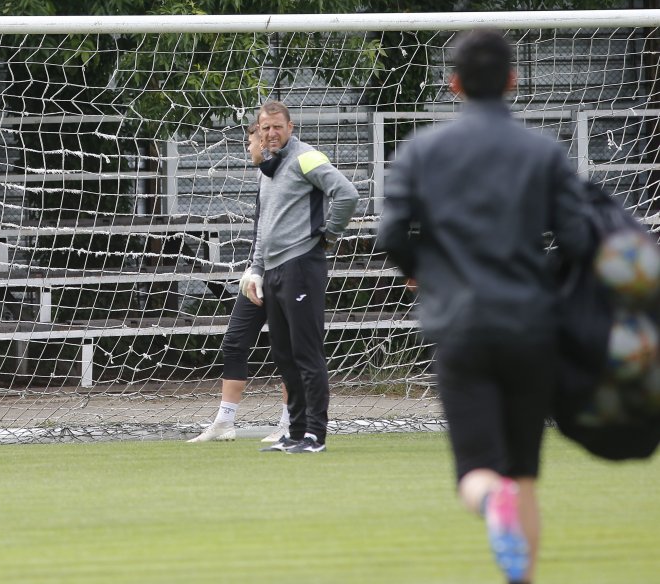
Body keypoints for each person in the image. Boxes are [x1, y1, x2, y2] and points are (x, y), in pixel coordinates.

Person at [377, 30, 592, 584]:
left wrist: (420, 273)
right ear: (513, 81)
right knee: (523, 476)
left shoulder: (422, 149)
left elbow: (391, 231)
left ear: (453, 84)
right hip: (530, 327)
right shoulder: (544, 151)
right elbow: (578, 240)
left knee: (479, 473)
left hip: (461, 325)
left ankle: (488, 498)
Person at [242, 101, 359, 454]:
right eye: (265, 128)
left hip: (301, 266)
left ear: (290, 128)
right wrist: (256, 268)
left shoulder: (307, 157)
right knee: (284, 355)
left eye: (278, 127)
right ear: (259, 132)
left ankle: (314, 436)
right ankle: (293, 433)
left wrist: (328, 235)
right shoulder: (267, 168)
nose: (271, 133)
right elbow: (264, 225)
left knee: (307, 354)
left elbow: (347, 194)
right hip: (274, 270)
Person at [188, 122, 290, 443]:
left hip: (289, 273)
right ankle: (224, 422)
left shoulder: (292, 174)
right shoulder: (263, 176)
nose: (248, 149)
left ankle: (291, 423)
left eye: (250, 143)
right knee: (234, 341)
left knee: (289, 350)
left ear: (265, 142)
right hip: (259, 272)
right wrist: (254, 268)